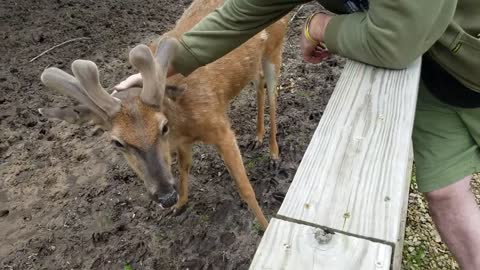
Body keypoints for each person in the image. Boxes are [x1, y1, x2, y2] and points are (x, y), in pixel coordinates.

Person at [115, 0, 480, 268]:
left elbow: (394, 42)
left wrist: (321, 26)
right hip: (430, 73)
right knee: (445, 192)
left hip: (464, 60)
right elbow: (251, 8)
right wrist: (177, 60)